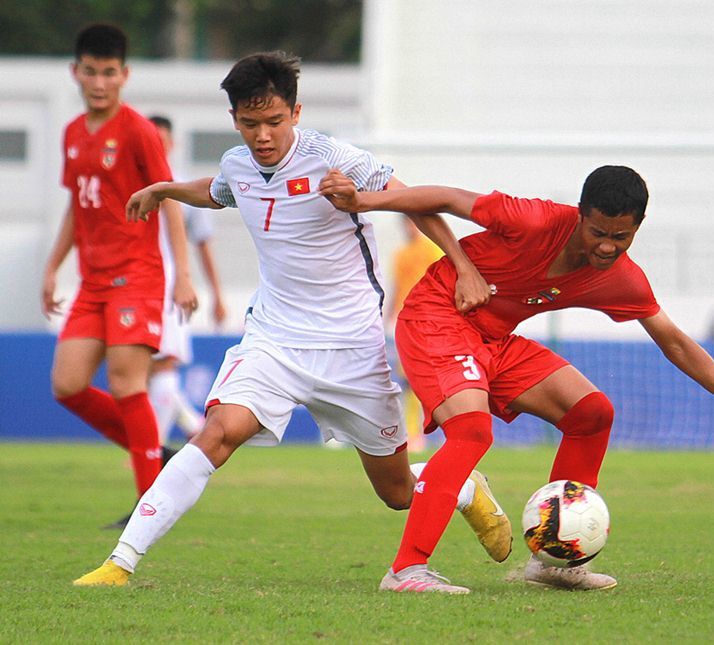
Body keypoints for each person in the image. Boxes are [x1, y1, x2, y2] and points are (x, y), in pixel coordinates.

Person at [73, 51, 511, 587]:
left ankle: (464, 489)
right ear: (235, 120)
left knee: (397, 494)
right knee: (217, 431)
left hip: (351, 347)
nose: (263, 135)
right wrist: (166, 188)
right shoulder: (239, 163)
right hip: (274, 341)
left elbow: (412, 201)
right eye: (251, 123)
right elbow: (218, 193)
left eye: (275, 122)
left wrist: (462, 265)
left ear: (296, 113)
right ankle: (119, 562)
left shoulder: (335, 159)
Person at [317, 165, 714, 594]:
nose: (607, 246)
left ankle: (554, 563)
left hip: (492, 339)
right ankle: (406, 569)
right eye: (598, 232)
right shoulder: (532, 218)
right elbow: (446, 198)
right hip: (438, 318)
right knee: (471, 431)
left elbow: (675, 341)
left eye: (621, 237)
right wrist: (364, 201)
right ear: (580, 215)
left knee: (592, 412)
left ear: (638, 228)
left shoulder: (621, 276)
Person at [41, 24, 197, 527]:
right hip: (92, 281)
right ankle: (156, 453)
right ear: (76, 73)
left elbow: (168, 197)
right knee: (67, 384)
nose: (100, 82)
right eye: (90, 71)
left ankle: (147, 508)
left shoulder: (138, 131)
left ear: (124, 75)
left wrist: (185, 275)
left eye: (109, 72)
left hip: (137, 275)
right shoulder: (70, 134)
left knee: (128, 384)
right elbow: (77, 204)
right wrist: (52, 266)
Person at [147, 115, 228, 448]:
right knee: (142, 370)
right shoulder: (130, 184)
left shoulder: (183, 190)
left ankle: (152, 447)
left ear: (173, 143)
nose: (158, 145)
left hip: (168, 286)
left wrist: (217, 294)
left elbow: (203, 245)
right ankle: (193, 425)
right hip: (133, 283)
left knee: (163, 363)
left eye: (163, 139)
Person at [389, 218, 445, 452]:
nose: (409, 228)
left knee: (432, 380)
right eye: (406, 223)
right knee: (409, 380)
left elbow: (444, 282)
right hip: (405, 323)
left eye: (413, 223)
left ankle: (435, 431)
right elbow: (397, 287)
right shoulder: (401, 255)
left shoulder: (433, 250)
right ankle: (413, 434)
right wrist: (388, 315)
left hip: (430, 321)